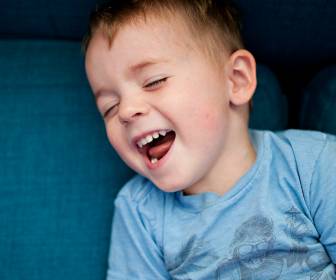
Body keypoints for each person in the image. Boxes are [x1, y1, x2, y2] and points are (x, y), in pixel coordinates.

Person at [83, 0, 336, 279]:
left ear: (236, 80)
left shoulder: (314, 165)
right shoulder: (140, 211)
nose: (127, 111)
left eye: (153, 81)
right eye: (109, 107)